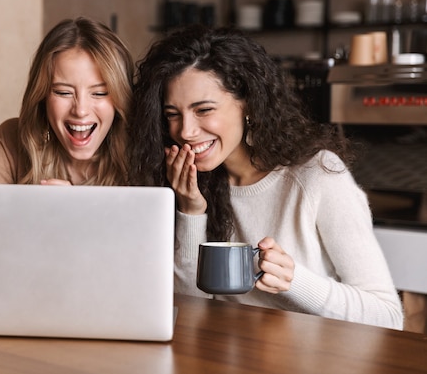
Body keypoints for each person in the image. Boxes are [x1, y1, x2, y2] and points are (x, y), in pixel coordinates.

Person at [129, 25, 404, 330]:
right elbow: (188, 308)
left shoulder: (318, 175)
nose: (185, 131)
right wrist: (191, 211)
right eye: (172, 114)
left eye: (203, 110)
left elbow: (388, 315)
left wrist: (295, 280)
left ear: (248, 103)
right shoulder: (185, 183)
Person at [0, 17, 134, 282]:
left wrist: (80, 217)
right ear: (42, 96)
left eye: (99, 93)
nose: (80, 110)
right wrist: (33, 225)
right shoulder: (11, 139)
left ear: (120, 100)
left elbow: (138, 272)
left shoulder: (141, 155)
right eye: (63, 92)